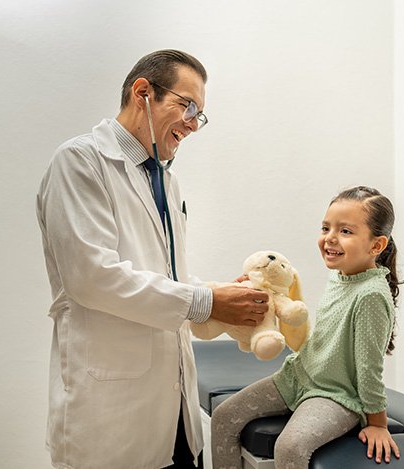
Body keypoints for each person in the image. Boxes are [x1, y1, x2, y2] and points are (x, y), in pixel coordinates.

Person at [36, 50, 270, 468]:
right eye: (188, 106)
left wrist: (220, 295)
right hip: (111, 418)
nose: (194, 124)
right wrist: (203, 301)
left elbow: (163, 274)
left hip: (174, 409)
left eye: (201, 114)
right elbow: (91, 276)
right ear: (142, 91)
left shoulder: (166, 179)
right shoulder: (80, 161)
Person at [211, 186, 403, 469]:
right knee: (224, 417)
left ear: (376, 246)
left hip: (336, 396)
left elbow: (369, 368)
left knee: (290, 447)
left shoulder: (371, 294)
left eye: (345, 231)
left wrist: (377, 424)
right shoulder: (342, 276)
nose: (330, 238)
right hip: (298, 377)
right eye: (326, 228)